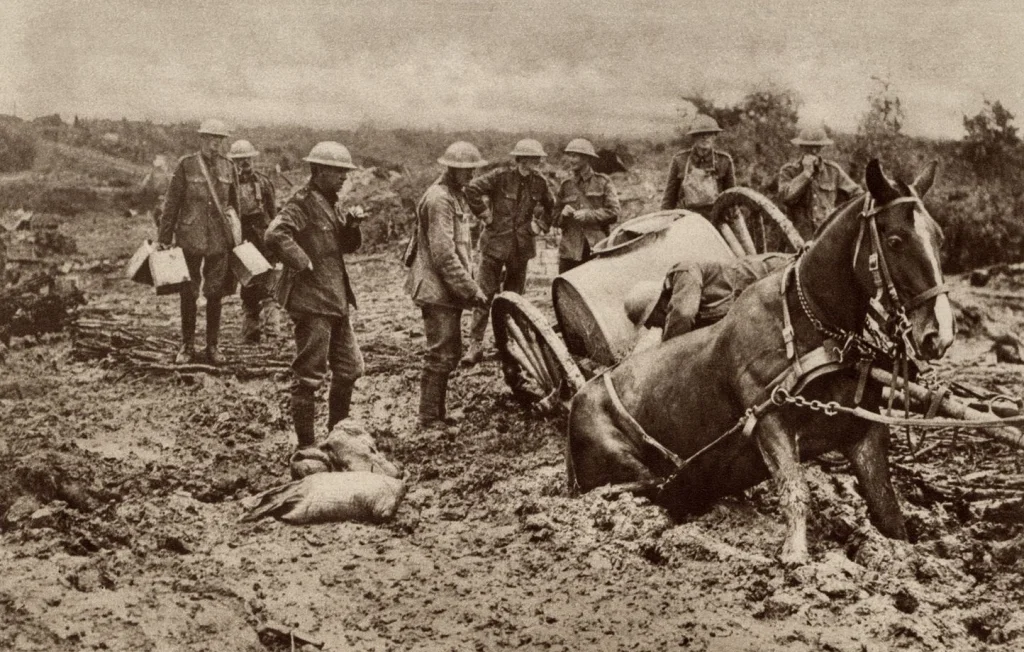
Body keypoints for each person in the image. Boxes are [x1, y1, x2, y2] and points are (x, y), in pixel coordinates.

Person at [264, 141, 366, 472]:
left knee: (349, 368)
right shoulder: (303, 202)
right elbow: (275, 234)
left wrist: (352, 226)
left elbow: (346, 248)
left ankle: (337, 438)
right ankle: (306, 449)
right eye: (337, 172)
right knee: (309, 376)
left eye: (345, 173)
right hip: (312, 303)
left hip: (335, 300)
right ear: (319, 172)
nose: (342, 179)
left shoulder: (330, 204)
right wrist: (302, 261)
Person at [405, 141, 489, 428]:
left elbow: (461, 249)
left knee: (449, 352)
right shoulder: (439, 199)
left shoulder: (454, 196)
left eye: (473, 169)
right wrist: (471, 290)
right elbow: (444, 255)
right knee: (440, 353)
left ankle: (438, 414)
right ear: (450, 169)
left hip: (446, 288)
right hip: (436, 288)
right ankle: (428, 417)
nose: (471, 174)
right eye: (465, 169)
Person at [461, 138, 555, 365]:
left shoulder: (540, 183)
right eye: (527, 158)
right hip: (494, 246)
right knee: (483, 295)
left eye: (535, 159)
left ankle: (508, 343)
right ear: (519, 159)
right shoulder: (500, 177)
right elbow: (471, 189)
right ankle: (475, 345)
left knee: (514, 299)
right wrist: (484, 214)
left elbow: (552, 206)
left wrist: (539, 225)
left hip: (520, 250)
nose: (531, 163)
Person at [157, 118, 237, 365]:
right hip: (190, 237)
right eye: (211, 139)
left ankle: (213, 346)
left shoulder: (228, 167)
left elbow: (235, 207)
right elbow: (171, 204)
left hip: (218, 240)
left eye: (219, 140)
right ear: (201, 139)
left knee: (216, 292)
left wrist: (237, 239)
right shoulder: (186, 165)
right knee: (188, 291)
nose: (215, 145)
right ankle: (187, 345)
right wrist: (164, 238)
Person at [628, 252, 794, 351]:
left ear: (659, 306)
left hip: (777, 274)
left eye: (651, 322)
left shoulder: (683, 272)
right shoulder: (693, 312)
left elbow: (683, 314)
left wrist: (664, 353)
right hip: (767, 303)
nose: (656, 327)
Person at [227, 139, 278, 344]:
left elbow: (273, 214)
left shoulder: (264, 183)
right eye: (239, 160)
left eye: (247, 159)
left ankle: (273, 333)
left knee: (268, 285)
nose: (244, 163)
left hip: (262, 238)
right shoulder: (228, 186)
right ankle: (251, 333)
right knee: (248, 286)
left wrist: (275, 241)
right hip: (242, 239)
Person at [777, 126, 862, 239]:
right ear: (801, 147)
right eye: (808, 147)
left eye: (817, 147)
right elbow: (785, 197)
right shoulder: (789, 171)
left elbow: (857, 195)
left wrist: (841, 216)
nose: (813, 151)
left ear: (822, 147)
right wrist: (806, 174)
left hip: (827, 238)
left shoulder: (833, 171)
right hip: (798, 239)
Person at [554, 138, 622, 273]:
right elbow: (554, 218)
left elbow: (615, 213)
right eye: (569, 156)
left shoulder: (603, 181)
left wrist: (588, 215)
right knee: (565, 291)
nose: (571, 160)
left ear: (586, 158)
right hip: (570, 252)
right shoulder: (565, 185)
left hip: (595, 249)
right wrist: (562, 214)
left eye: (575, 156)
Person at [660, 114, 736, 218]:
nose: (705, 137)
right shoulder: (680, 160)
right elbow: (669, 197)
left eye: (709, 133)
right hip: (686, 217)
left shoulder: (724, 161)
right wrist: (664, 218)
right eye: (701, 134)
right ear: (694, 137)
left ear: (714, 136)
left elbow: (731, 196)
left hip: (715, 218)